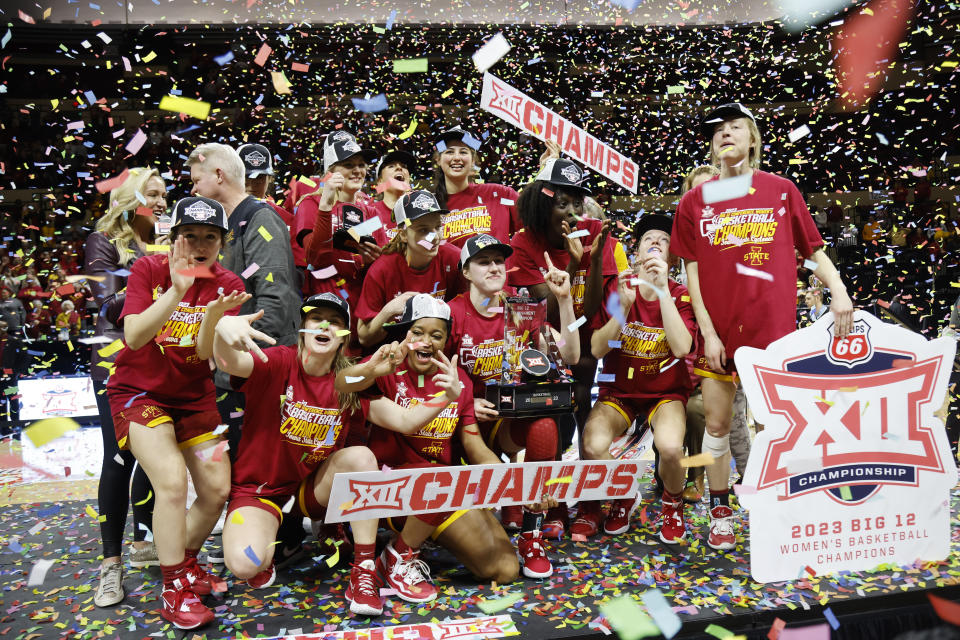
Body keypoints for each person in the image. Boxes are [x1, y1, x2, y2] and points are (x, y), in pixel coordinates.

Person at [671, 102, 853, 550]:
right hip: (720, 336)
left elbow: (812, 250)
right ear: (711, 146)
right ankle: (720, 510)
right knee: (716, 426)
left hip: (775, 334)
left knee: (783, 426)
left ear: (753, 139)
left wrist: (839, 290)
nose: (725, 134)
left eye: (736, 127)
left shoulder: (780, 189)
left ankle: (786, 506)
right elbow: (691, 273)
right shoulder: (696, 200)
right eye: (717, 130)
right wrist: (709, 333)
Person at [214, 292, 464, 615]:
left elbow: (404, 420)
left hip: (310, 492)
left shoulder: (348, 383)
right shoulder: (279, 361)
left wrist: (446, 395)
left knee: (361, 458)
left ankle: (363, 572)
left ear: (343, 338)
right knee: (245, 564)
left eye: (334, 322)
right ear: (303, 328)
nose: (325, 326)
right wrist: (221, 329)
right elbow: (229, 361)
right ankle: (268, 537)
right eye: (316, 319)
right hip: (260, 493)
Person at [106, 196, 248, 629]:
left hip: (194, 399)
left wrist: (214, 316)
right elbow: (132, 337)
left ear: (222, 242)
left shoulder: (228, 282)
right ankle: (173, 588)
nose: (199, 244)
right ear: (173, 238)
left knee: (216, 489)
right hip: (138, 395)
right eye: (190, 235)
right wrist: (178, 291)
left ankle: (182, 562)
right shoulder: (149, 270)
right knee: (169, 481)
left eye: (210, 236)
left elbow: (204, 356)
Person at [337, 294, 521, 598]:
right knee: (442, 483)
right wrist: (371, 369)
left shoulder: (457, 378)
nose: (426, 341)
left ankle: (415, 540)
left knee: (504, 568)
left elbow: (476, 448)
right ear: (404, 335)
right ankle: (399, 556)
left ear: (447, 340)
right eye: (417, 333)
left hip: (440, 489)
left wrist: (515, 485)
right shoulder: (386, 367)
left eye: (436, 335)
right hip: (393, 489)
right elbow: (340, 383)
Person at [446, 233, 580, 556]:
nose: (494, 268)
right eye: (483, 262)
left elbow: (569, 353)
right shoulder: (451, 313)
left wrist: (564, 301)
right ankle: (502, 503)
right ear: (465, 272)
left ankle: (531, 532)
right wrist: (464, 402)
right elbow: (434, 375)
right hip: (463, 424)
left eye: (498, 261)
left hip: (506, 421)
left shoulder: (523, 306)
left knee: (546, 426)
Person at [574, 213, 696, 542]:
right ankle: (625, 493)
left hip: (665, 392)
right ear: (637, 253)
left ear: (671, 256)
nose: (656, 242)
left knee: (670, 448)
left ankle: (673, 503)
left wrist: (663, 293)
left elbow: (682, 347)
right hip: (619, 392)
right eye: (648, 239)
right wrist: (623, 309)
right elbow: (599, 348)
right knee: (593, 443)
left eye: (664, 240)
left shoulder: (682, 294)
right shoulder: (619, 288)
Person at [187, 142, 301, 462]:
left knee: (260, 472)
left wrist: (242, 362)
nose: (193, 189)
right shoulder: (229, 223)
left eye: (197, 180)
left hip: (258, 373)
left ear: (219, 175)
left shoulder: (259, 218)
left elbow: (274, 302)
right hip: (235, 372)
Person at [507, 158, 630, 454]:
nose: (573, 213)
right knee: (557, 416)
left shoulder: (593, 230)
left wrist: (595, 259)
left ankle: (588, 473)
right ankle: (555, 475)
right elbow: (546, 313)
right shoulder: (523, 243)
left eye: (577, 203)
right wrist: (574, 265)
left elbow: (588, 312)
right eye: (562, 204)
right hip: (549, 343)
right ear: (542, 204)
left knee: (583, 394)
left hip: (586, 339)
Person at [84, 167, 163, 608]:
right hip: (116, 366)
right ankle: (110, 565)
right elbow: (109, 305)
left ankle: (145, 539)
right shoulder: (102, 242)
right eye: (154, 195)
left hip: (160, 363)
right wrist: (155, 274)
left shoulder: (173, 243)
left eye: (165, 195)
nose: (163, 203)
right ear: (132, 201)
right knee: (118, 458)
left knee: (153, 457)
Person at [355, 190, 464, 348]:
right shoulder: (383, 269)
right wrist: (388, 311)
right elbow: (364, 338)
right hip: (393, 354)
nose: (434, 237)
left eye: (437, 227)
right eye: (423, 230)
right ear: (403, 234)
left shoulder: (453, 258)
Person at [295, 130, 380, 304]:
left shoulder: (371, 212)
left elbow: (382, 268)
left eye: (361, 165)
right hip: (325, 304)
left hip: (362, 303)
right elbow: (316, 258)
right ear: (330, 171)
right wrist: (325, 206)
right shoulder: (311, 204)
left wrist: (371, 261)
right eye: (348, 165)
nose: (357, 171)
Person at [432, 126, 529, 248]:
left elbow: (534, 229)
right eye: (449, 152)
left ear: (472, 161)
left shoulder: (501, 194)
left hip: (499, 267)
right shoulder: (430, 206)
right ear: (438, 160)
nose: (456, 158)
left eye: (463, 152)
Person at [237, 142, 306, 272]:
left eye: (260, 178)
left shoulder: (285, 218)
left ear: (270, 179)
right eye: (246, 177)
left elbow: (298, 268)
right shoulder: (221, 215)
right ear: (234, 177)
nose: (252, 185)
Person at [370, 150, 416, 245]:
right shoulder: (371, 212)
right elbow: (353, 244)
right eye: (391, 166)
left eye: (404, 166)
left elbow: (433, 244)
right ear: (380, 181)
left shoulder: (420, 210)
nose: (399, 168)